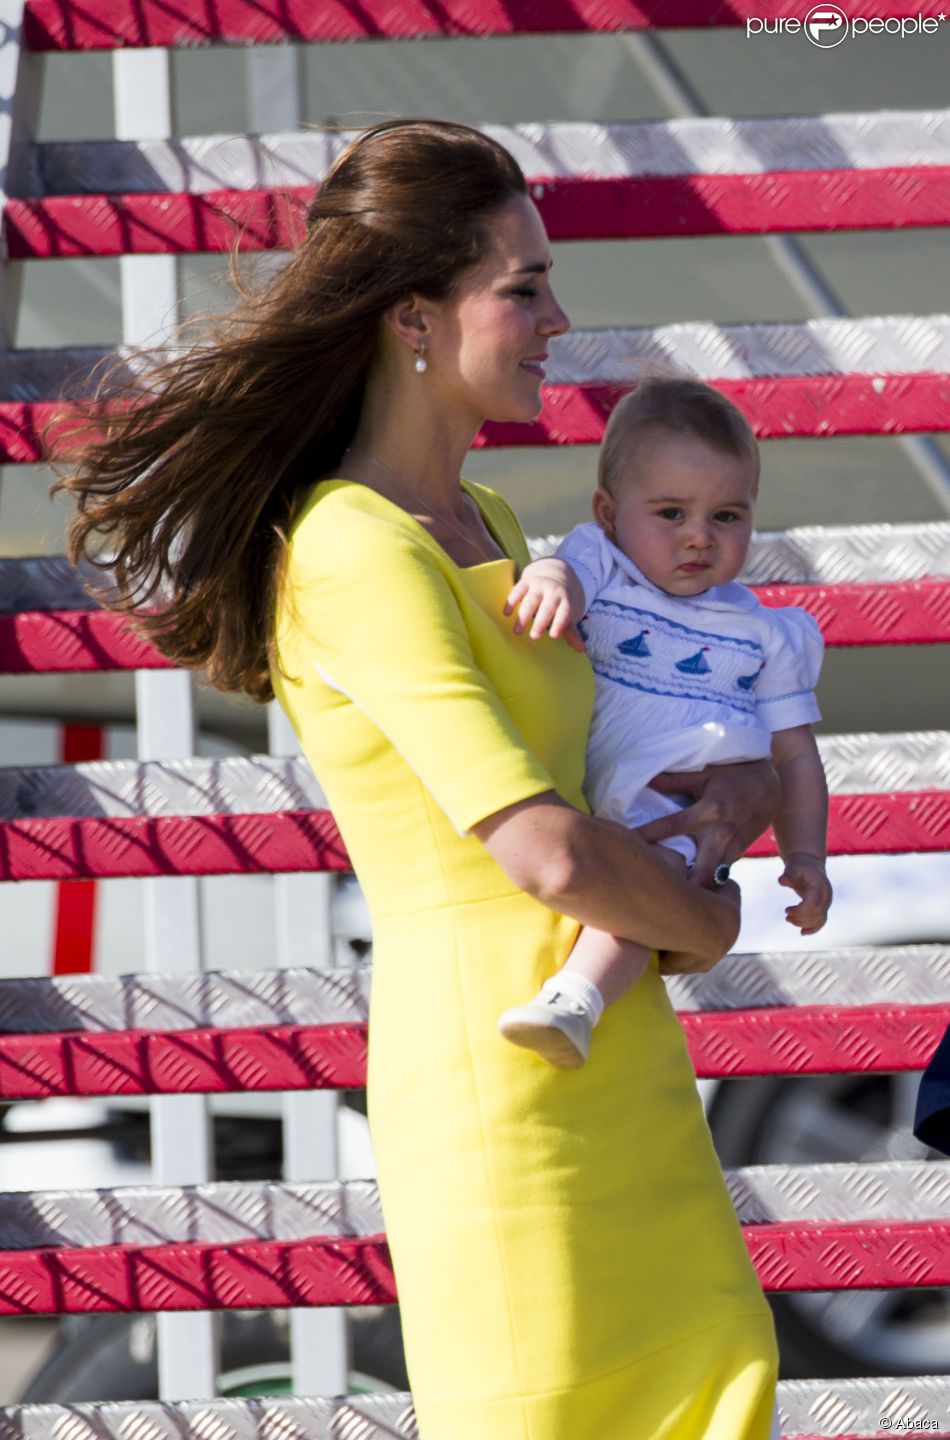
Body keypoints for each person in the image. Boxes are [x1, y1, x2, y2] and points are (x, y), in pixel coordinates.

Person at [54, 120, 781, 1439]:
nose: (558, 316)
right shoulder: (348, 547)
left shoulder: (499, 529)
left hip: (614, 1054)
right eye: (523, 286)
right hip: (501, 1082)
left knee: (717, 1386)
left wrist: (721, 807)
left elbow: (622, 766)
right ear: (412, 319)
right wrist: (710, 919)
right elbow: (543, 853)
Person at [498, 378, 832, 1068]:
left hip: (682, 807)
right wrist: (552, 580)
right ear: (610, 512)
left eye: (727, 517)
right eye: (672, 513)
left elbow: (795, 756)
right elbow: (567, 572)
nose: (699, 538)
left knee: (655, 889)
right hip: (584, 794)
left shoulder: (764, 632)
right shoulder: (604, 564)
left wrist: (806, 857)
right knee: (625, 883)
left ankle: (575, 1001)